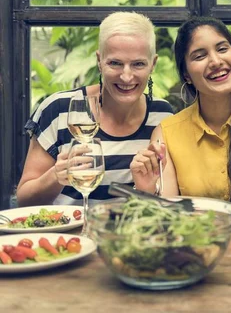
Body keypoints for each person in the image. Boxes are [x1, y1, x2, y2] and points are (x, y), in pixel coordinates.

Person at [17, 12, 173, 206]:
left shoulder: (163, 115)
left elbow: (162, 202)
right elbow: (24, 200)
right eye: (115, 63)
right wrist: (54, 177)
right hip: (66, 234)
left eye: (138, 64)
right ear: (99, 61)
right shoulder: (58, 109)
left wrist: (147, 187)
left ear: (153, 64)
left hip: (128, 233)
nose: (126, 76)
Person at [130, 17, 231, 200]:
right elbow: (166, 215)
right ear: (186, 74)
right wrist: (147, 189)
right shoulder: (167, 135)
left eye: (222, 49)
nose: (216, 61)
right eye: (200, 56)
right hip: (196, 229)